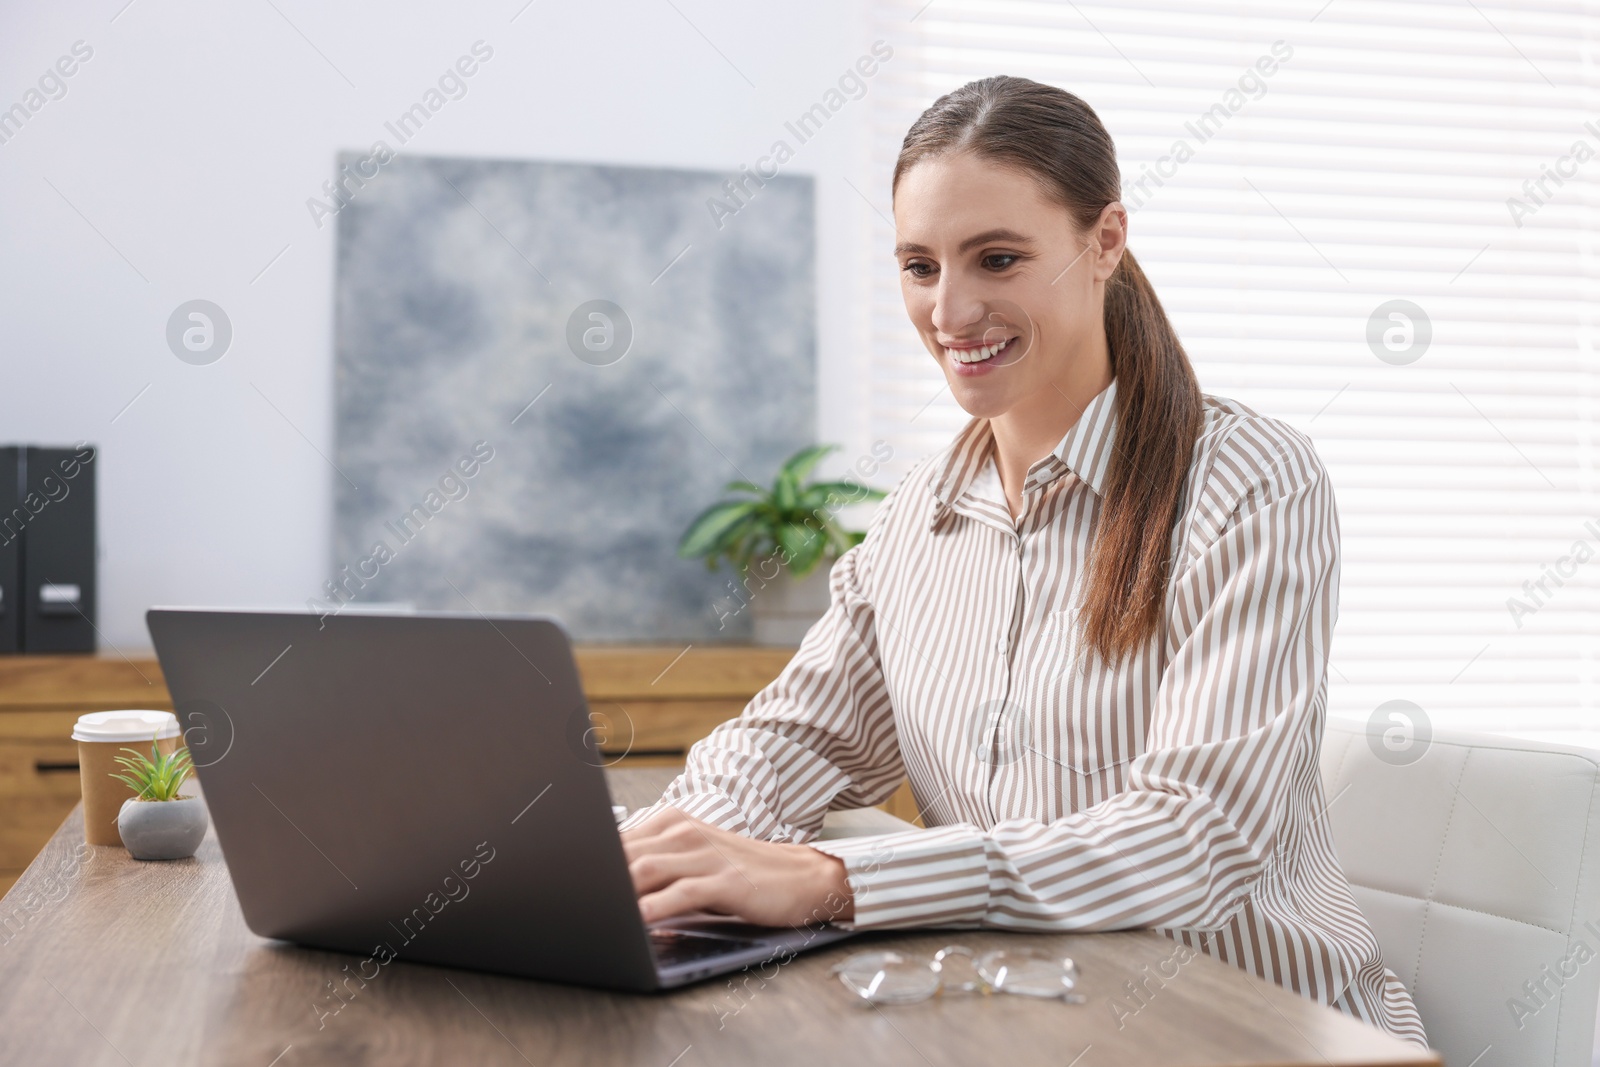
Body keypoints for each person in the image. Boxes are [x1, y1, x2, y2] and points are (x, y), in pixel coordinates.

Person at [620, 74, 1426, 1046]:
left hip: (1253, 1030)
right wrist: (656, 855)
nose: (951, 310)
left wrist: (838, 881)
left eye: (996, 258)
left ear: (1105, 242)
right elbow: (802, 736)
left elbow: (1197, 834)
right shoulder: (920, 516)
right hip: (1042, 1022)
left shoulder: (1250, 482)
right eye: (919, 265)